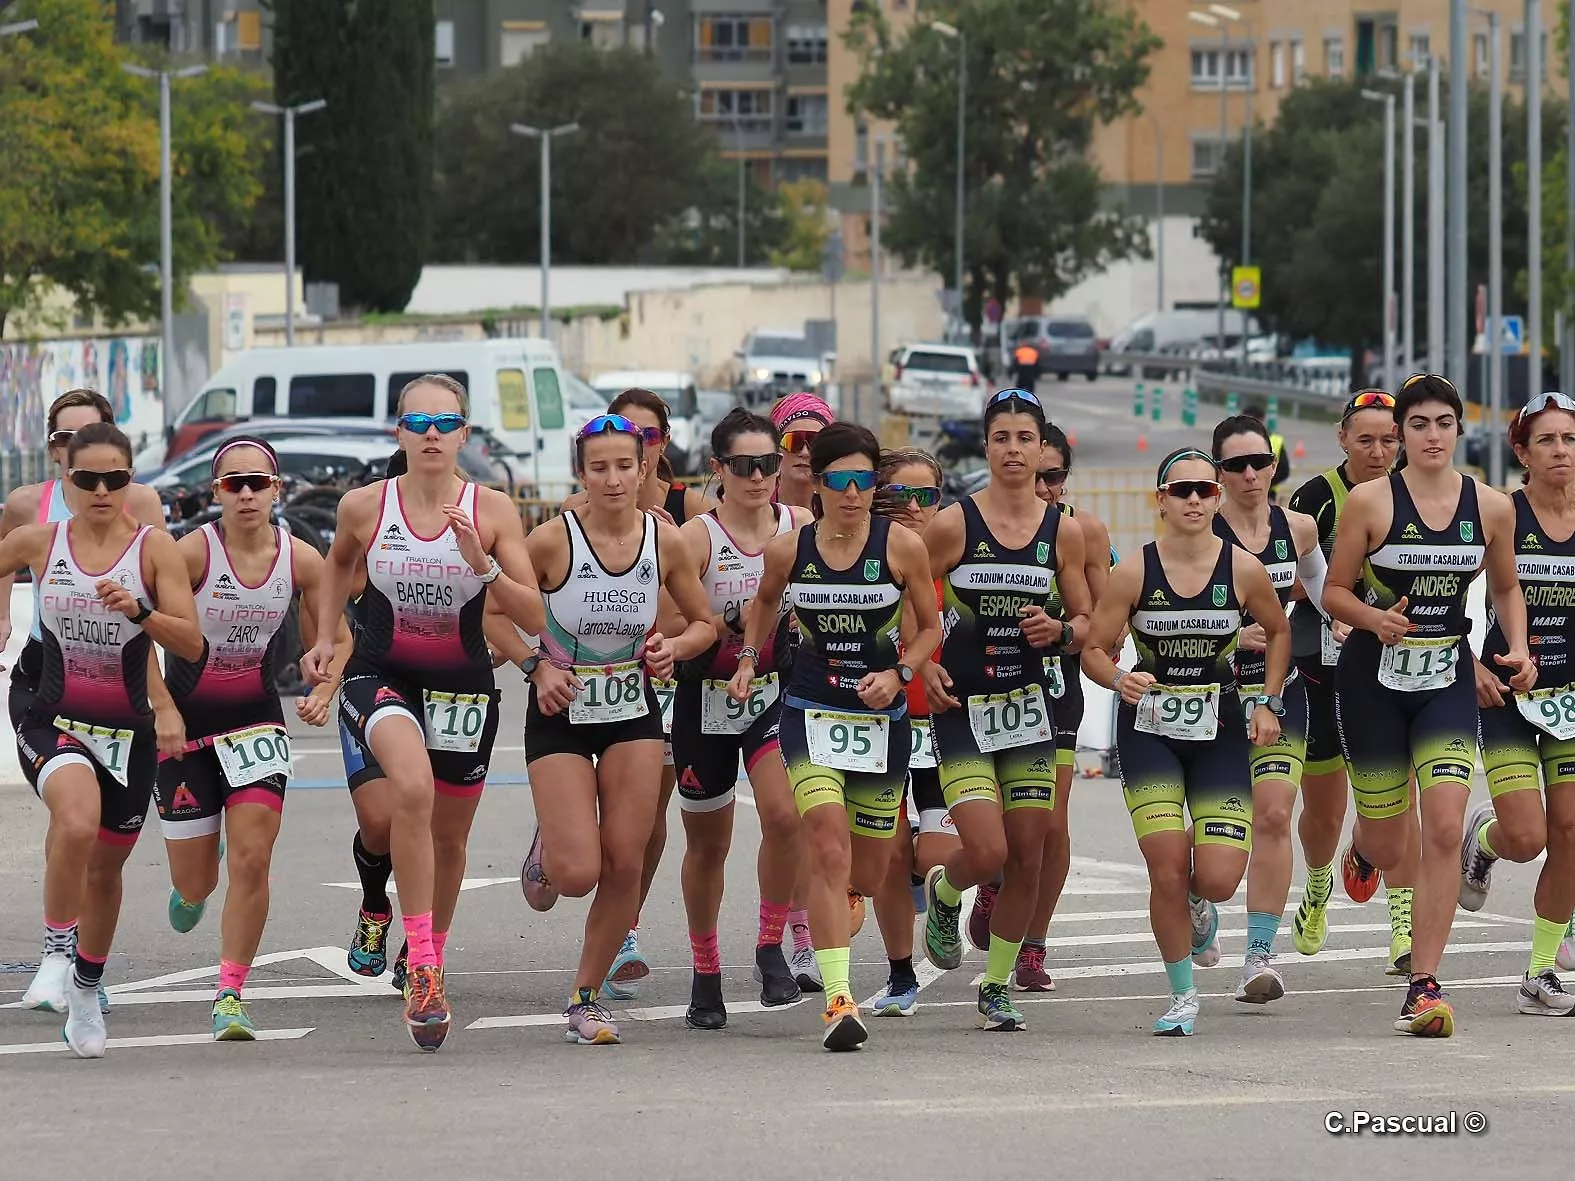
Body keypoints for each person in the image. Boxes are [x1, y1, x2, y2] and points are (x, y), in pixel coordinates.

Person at [302, 374, 547, 1052]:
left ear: (465, 433)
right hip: (382, 675)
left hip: (463, 687)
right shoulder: (364, 505)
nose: (432, 433)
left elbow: (534, 615)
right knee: (406, 791)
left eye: (446, 422)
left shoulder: (493, 511)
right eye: (419, 421)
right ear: (400, 433)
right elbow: (334, 567)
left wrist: (485, 566)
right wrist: (324, 637)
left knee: (446, 837)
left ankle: (418, 942)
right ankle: (427, 972)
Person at [1324, 373, 1534, 1038]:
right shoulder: (1368, 502)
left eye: (1444, 423)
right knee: (1392, 843)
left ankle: (1423, 982)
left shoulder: (1491, 507)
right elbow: (1332, 592)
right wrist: (1372, 618)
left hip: (1444, 678)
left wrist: (1519, 646)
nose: (1432, 435)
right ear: (1400, 436)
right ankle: (1362, 843)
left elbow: (1505, 588)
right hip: (1371, 683)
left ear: (1457, 429)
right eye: (1419, 425)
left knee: (1442, 828)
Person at [729, 422, 941, 1050]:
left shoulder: (901, 547)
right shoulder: (788, 549)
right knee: (823, 840)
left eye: (864, 481)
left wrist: (899, 672)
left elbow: (929, 629)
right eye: (839, 482)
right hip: (809, 711)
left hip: (881, 722)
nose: (852, 494)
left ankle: (845, 894)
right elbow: (764, 604)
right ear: (817, 485)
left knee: (869, 875)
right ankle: (839, 1002)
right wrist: (748, 658)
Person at [0, 421, 204, 1056]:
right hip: (48, 711)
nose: (100, 490)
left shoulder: (153, 552)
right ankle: (57, 952)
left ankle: (87, 987)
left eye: (114, 478)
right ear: (66, 478)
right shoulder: (39, 539)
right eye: (86, 478)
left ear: (129, 480)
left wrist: (140, 612)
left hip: (127, 726)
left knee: (106, 870)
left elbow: (192, 643)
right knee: (77, 818)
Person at [520, 413, 715, 1046]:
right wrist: (536, 666)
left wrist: (675, 649)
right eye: (598, 467)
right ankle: (551, 844)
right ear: (580, 473)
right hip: (561, 709)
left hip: (632, 707)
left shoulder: (665, 541)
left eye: (624, 466)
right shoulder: (552, 540)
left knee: (625, 862)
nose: (613, 479)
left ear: (644, 468)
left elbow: (704, 623)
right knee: (579, 872)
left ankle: (585, 997)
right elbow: (493, 612)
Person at [1081, 446, 1290, 1036]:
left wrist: (1268, 700)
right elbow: (1094, 649)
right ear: (1161, 502)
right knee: (1168, 868)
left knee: (1218, 877)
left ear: (1218, 498)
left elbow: (1278, 631)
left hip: (1220, 728)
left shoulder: (1243, 568)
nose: (1194, 500)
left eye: (1204, 490)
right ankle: (1181, 994)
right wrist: (1121, 679)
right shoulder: (1136, 571)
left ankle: (1202, 906)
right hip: (1150, 733)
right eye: (1181, 491)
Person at [151, 437, 353, 1039]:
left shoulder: (301, 559)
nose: (245, 494)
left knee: (254, 858)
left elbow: (336, 640)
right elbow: (139, 637)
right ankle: (196, 872)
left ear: (276, 490)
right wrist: (162, 709)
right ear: (216, 493)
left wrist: (323, 687)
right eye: (232, 484)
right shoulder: (189, 555)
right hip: (185, 726)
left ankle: (230, 994)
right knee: (195, 885)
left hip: (256, 722)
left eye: (257, 483)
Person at [919, 389, 1092, 1033]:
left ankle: (995, 984)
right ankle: (943, 888)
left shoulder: (1061, 531)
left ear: (1041, 447)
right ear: (987, 446)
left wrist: (1063, 631)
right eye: (1002, 439)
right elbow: (912, 596)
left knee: (1029, 853)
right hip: (964, 707)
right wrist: (925, 660)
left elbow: (1086, 616)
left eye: (1025, 439)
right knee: (986, 851)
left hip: (1030, 709)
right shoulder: (954, 523)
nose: (1014, 451)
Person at [671, 408, 814, 1027]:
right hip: (704, 700)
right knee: (710, 846)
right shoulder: (696, 539)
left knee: (787, 816)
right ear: (719, 470)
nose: (758, 477)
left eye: (768, 464)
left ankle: (768, 945)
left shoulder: (801, 525)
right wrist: (729, 627)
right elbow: (668, 627)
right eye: (743, 466)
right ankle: (706, 973)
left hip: (773, 695)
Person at [971, 420, 1116, 994]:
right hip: (986, 684)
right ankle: (992, 879)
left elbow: (1105, 622)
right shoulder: (984, 521)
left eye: (1055, 475)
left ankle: (1032, 944)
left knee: (1050, 825)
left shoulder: (1083, 531)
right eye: (1040, 472)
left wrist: (1062, 631)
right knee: (1000, 822)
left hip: (1054, 687)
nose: (1046, 485)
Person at [1282, 392, 1418, 973]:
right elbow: (1283, 580)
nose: (1380, 451)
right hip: (1324, 666)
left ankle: (1403, 926)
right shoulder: (1316, 500)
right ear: (1342, 440)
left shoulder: (1418, 495)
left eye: (1390, 439)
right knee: (1324, 808)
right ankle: (1316, 888)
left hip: (1399, 669)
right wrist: (1337, 610)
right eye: (1366, 440)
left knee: (1402, 798)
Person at [1460, 391, 1575, 1014]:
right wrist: (1471, 664)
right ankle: (1484, 839)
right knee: (1528, 837)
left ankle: (1539, 972)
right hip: (1506, 695)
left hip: (1571, 701)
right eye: (1548, 441)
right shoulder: (1504, 514)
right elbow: (1449, 593)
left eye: (1570, 440)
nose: (1561, 451)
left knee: (1571, 831)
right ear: (1522, 452)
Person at [1210, 415, 1329, 1003]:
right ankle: (1197, 897)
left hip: (1281, 692)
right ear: (1218, 474)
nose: (1251, 474)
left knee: (1276, 816)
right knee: (1213, 841)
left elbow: (1324, 594)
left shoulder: (1299, 529)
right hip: (1203, 694)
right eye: (1236, 465)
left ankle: (1259, 957)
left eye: (1261, 462)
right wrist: (1234, 636)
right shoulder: (1200, 528)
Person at [866, 447, 958, 1016]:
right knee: (892, 856)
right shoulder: (867, 559)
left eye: (928, 496)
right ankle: (901, 976)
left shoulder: (955, 562)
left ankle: (943, 897)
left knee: (938, 853)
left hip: (942, 725)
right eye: (902, 495)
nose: (916, 508)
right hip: (881, 721)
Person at [765, 389, 838, 990]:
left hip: (813, 681)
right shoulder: (754, 504)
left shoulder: (844, 511)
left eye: (819, 441)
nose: (806, 453)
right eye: (795, 439)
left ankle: (800, 937)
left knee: (803, 814)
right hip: (738, 676)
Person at [1243, 402, 1289, 501]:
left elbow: (1284, 471)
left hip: (1268, 494)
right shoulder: (1238, 441)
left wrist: (1263, 483)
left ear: (1261, 420)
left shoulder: (1276, 440)